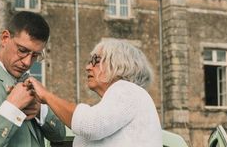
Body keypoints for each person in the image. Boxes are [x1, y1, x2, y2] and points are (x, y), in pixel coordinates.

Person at [28, 38, 161, 146]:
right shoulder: (124, 99)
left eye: (95, 61)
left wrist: (46, 95)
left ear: (119, 65)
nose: (88, 67)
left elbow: (89, 125)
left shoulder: (127, 90)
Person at [0, 11, 66, 147]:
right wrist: (12, 108)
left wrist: (40, 110)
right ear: (5, 38)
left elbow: (60, 135)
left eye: (35, 55)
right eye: (22, 50)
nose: (28, 62)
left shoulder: (30, 82)